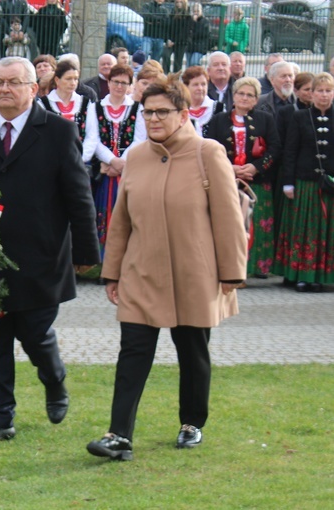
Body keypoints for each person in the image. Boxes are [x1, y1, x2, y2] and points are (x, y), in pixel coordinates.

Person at [86, 78, 247, 461]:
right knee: (133, 352)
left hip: (196, 273)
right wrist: (112, 272)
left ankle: (192, 423)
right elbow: (121, 220)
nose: (154, 118)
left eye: (162, 111)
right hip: (142, 273)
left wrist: (231, 273)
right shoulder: (137, 155)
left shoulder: (208, 152)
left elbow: (227, 218)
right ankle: (118, 435)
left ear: (183, 114)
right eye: (148, 112)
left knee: (193, 352)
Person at [0, 56, 99, 447]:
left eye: (13, 83)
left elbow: (78, 194)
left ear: (33, 89)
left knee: (35, 334)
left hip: (41, 254)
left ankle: (54, 379)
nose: (3, 89)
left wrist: (86, 250)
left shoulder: (57, 131)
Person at [206, 77, 279, 279]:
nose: (244, 98)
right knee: (230, 224)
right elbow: (210, 148)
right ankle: (230, 267)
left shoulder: (266, 119)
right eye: (241, 93)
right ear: (234, 96)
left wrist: (255, 168)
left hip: (256, 180)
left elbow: (274, 149)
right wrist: (229, 169)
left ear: (256, 100)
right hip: (227, 180)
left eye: (250, 95)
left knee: (257, 223)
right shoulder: (219, 119)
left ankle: (256, 267)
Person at [274, 73, 334, 292]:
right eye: (319, 90)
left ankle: (322, 275)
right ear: (312, 93)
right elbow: (290, 151)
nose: (324, 95)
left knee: (326, 231)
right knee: (306, 231)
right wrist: (288, 183)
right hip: (305, 183)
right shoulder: (300, 117)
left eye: (328, 91)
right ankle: (301, 275)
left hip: (330, 185)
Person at [91, 64, 147, 256]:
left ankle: (122, 257)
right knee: (102, 210)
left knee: (124, 211)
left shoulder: (137, 109)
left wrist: (121, 163)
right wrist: (111, 160)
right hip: (104, 170)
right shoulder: (96, 107)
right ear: (108, 82)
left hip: (127, 169)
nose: (119, 86)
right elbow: (94, 138)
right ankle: (100, 260)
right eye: (116, 82)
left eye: (124, 83)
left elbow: (140, 138)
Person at [40, 59, 99, 164]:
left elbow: (92, 135)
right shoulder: (43, 104)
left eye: (76, 79)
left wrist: (80, 158)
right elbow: (41, 136)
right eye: (68, 79)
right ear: (57, 80)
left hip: (80, 162)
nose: (73, 83)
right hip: (51, 163)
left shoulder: (86, 103)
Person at [182, 65, 223, 137]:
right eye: (195, 85)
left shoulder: (219, 108)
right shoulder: (179, 109)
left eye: (203, 84)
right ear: (186, 87)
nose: (200, 88)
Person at [163, 0, 190, 74]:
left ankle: (175, 79)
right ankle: (167, 74)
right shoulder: (172, 13)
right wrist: (167, 39)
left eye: (180, 2)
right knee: (166, 55)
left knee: (178, 63)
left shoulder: (188, 15)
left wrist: (175, 41)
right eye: (177, 2)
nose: (178, 4)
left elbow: (186, 31)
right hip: (170, 40)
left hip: (181, 42)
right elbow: (167, 28)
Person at [141, 0, 169, 64]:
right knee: (144, 53)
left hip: (160, 37)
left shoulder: (165, 10)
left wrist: (152, 21)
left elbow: (166, 22)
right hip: (148, 35)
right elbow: (147, 16)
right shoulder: (147, 6)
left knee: (156, 60)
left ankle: (153, 73)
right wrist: (159, 20)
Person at [189, 2, 209, 66]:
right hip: (190, 47)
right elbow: (188, 32)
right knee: (189, 66)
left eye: (198, 11)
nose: (196, 13)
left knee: (194, 63)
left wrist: (195, 23)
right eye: (194, 11)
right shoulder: (190, 20)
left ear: (201, 11)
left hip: (200, 47)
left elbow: (201, 34)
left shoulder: (205, 21)